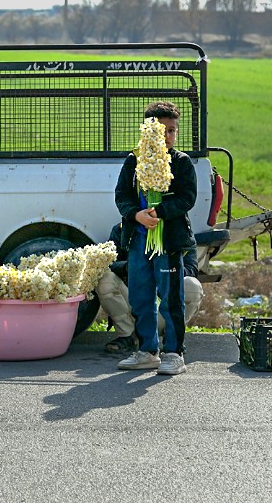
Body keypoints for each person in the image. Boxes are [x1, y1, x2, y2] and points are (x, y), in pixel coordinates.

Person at [114, 101, 197, 375]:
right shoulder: (133, 160)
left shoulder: (181, 163)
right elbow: (122, 197)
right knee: (140, 298)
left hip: (168, 243)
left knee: (171, 297)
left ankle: (174, 353)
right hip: (138, 242)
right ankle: (147, 351)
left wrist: (159, 212)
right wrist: (137, 216)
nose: (168, 137)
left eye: (172, 131)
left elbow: (187, 199)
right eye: (162, 131)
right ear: (148, 132)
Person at [98, 226, 204, 355]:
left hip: (164, 307)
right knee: (104, 278)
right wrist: (131, 267)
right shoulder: (122, 228)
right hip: (133, 304)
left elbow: (191, 269)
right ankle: (127, 336)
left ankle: (171, 337)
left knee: (193, 286)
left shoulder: (180, 228)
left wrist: (165, 269)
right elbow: (110, 263)